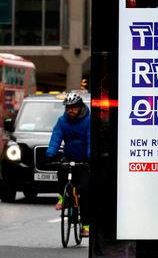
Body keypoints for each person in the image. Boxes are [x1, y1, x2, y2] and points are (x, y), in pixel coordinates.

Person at [46, 91, 91, 237]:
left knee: (85, 190)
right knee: (61, 170)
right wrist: (50, 154)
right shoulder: (62, 121)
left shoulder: (89, 120)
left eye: (73, 107)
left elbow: (92, 139)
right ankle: (63, 197)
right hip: (70, 154)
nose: (70, 110)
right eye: (67, 107)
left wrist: (90, 157)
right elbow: (56, 137)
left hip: (84, 158)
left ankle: (85, 225)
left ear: (80, 107)